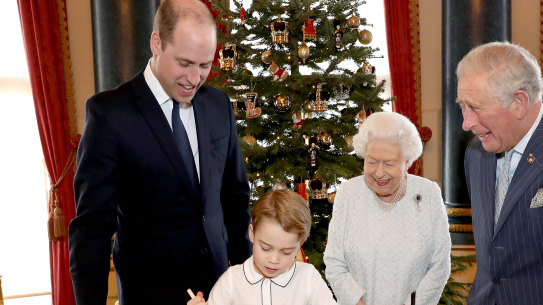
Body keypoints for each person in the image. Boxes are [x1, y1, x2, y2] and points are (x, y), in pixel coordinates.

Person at [68, 0, 252, 304]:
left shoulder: (218, 105)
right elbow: (91, 231)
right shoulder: (110, 115)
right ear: (156, 42)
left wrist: (246, 284)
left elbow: (235, 199)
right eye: (184, 63)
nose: (194, 79)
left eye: (204, 66)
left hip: (221, 292)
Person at [324, 111, 451, 305]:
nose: (379, 173)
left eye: (390, 164)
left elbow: (439, 266)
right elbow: (334, 262)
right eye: (372, 162)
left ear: (407, 162)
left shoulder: (429, 194)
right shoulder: (348, 193)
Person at [456, 42, 543, 305]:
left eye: (476, 107)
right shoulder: (475, 153)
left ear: (519, 102)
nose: (467, 123)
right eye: (462, 105)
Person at [188, 190, 337, 305]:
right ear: (252, 233)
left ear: (301, 243)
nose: (274, 260)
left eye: (286, 252)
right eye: (265, 248)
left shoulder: (308, 278)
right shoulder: (231, 281)